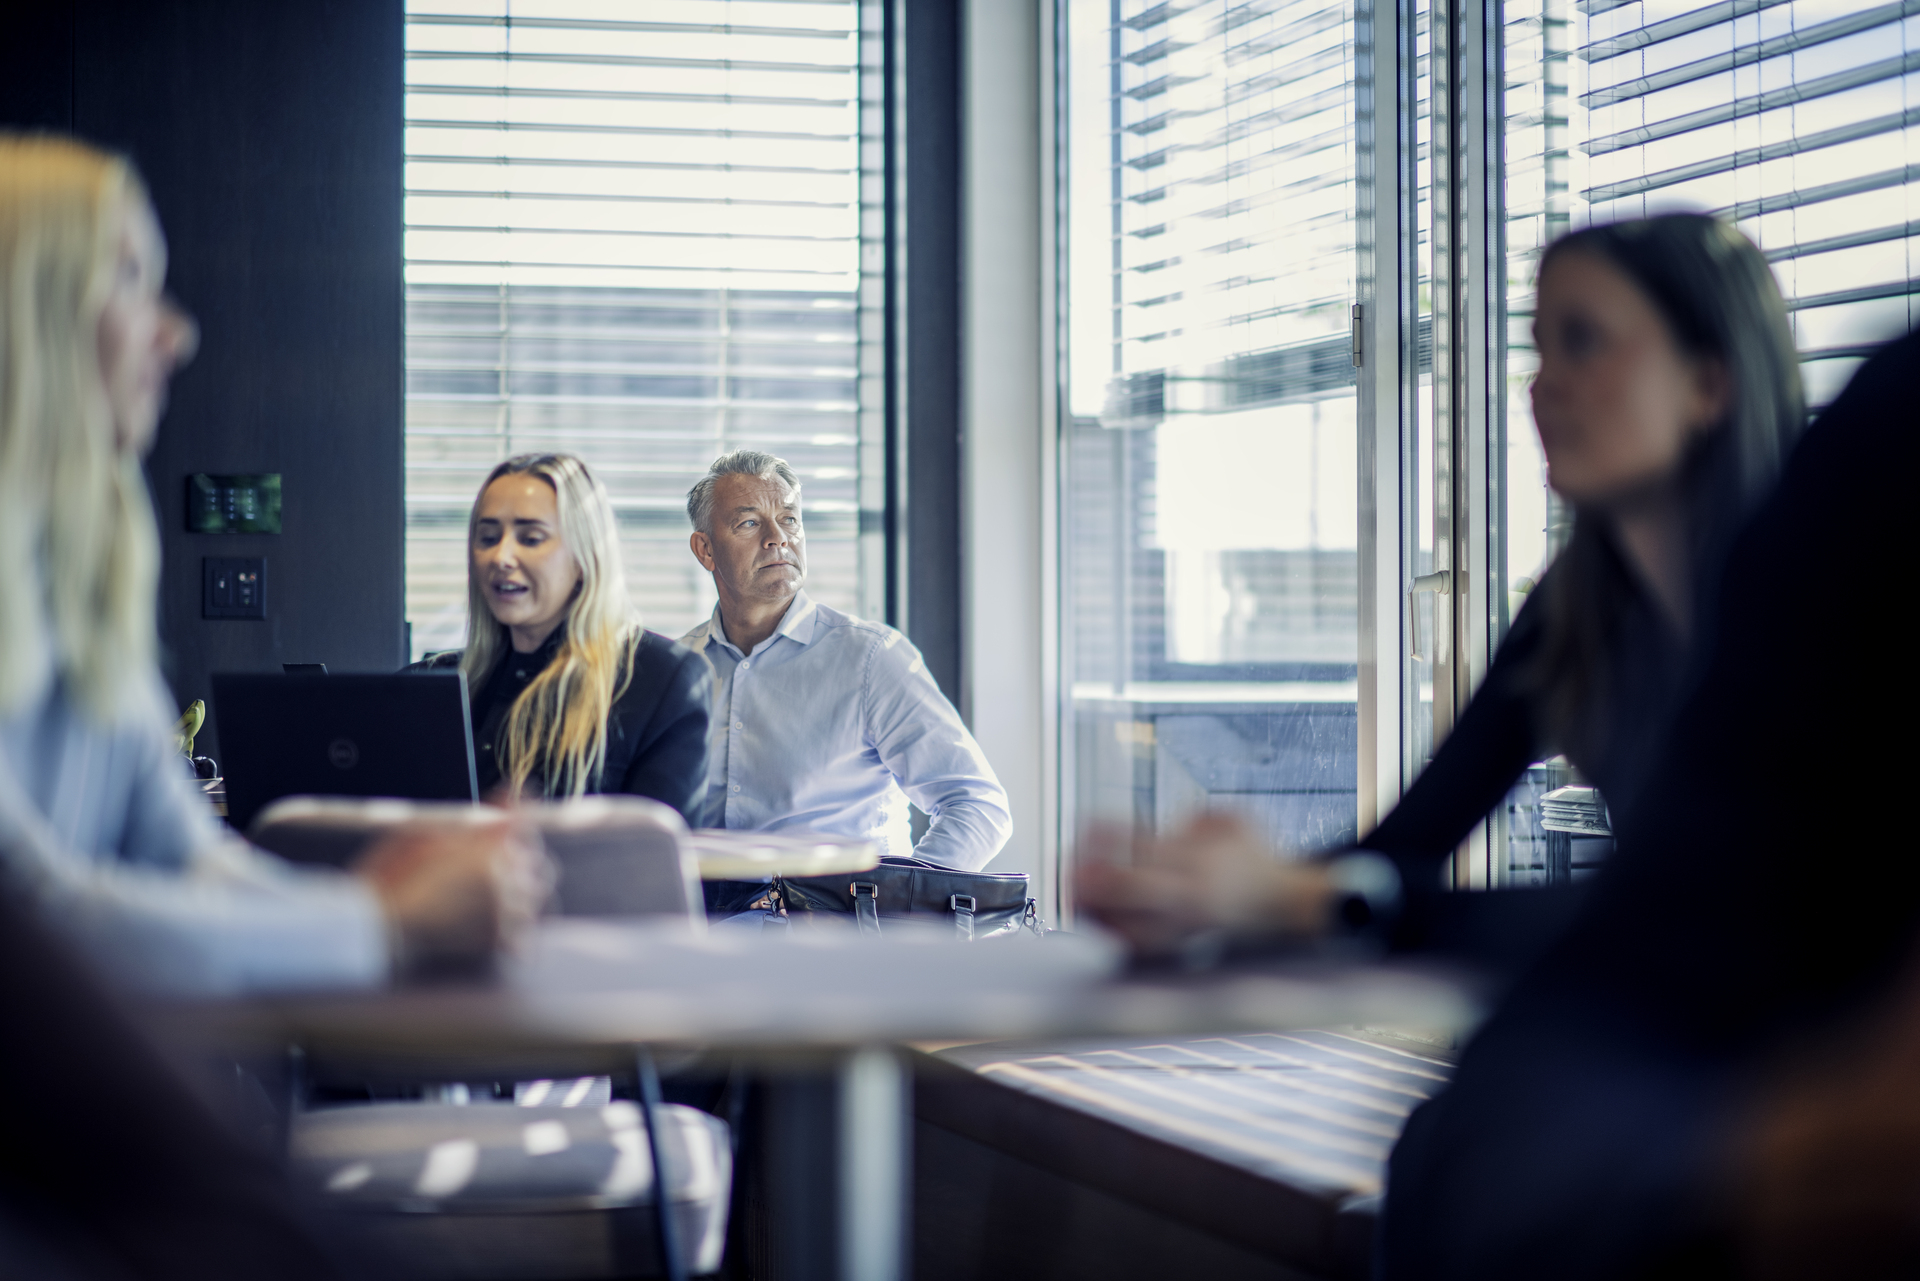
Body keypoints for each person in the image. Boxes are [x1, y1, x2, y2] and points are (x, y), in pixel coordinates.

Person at [1076, 214, 1804, 957]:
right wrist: (1203, 895)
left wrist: (1304, 902)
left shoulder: (1827, 600)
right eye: (1539, 349)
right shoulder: (1577, 607)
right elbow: (1405, 850)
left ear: (1708, 383)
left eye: (1582, 341)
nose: (1541, 387)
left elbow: (1685, 909)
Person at [0, 133, 539, 994]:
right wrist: (382, 919)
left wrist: (375, 902)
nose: (177, 333)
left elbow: (193, 864)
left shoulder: (78, 604)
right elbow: (33, 926)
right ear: (29, 309)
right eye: (131, 278)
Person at [679, 450, 1011, 879]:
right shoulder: (676, 668)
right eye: (749, 522)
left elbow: (977, 805)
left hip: (834, 931)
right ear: (705, 550)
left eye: (790, 519)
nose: (777, 537)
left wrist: (900, 907)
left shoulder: (871, 658)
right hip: (705, 928)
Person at [409, 453, 712, 823]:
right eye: (488, 537)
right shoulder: (432, 685)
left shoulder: (662, 679)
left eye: (531, 538)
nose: (501, 556)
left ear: (584, 557)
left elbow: (651, 864)